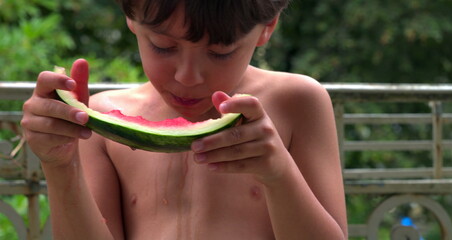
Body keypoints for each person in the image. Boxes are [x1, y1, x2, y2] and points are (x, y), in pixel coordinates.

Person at [21, 0, 348, 239]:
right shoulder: (102, 120)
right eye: (163, 46)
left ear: (267, 28)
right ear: (131, 17)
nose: (187, 76)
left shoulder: (297, 103)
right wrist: (60, 165)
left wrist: (279, 175)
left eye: (220, 52)